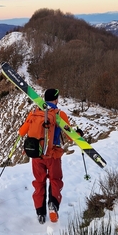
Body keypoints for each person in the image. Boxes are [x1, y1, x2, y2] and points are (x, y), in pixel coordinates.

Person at [19, 88, 71, 224]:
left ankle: (40, 213)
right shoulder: (60, 115)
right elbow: (71, 137)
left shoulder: (34, 113)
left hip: (36, 156)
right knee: (55, 180)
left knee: (39, 183)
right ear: (56, 99)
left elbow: (21, 132)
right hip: (53, 156)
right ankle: (53, 205)